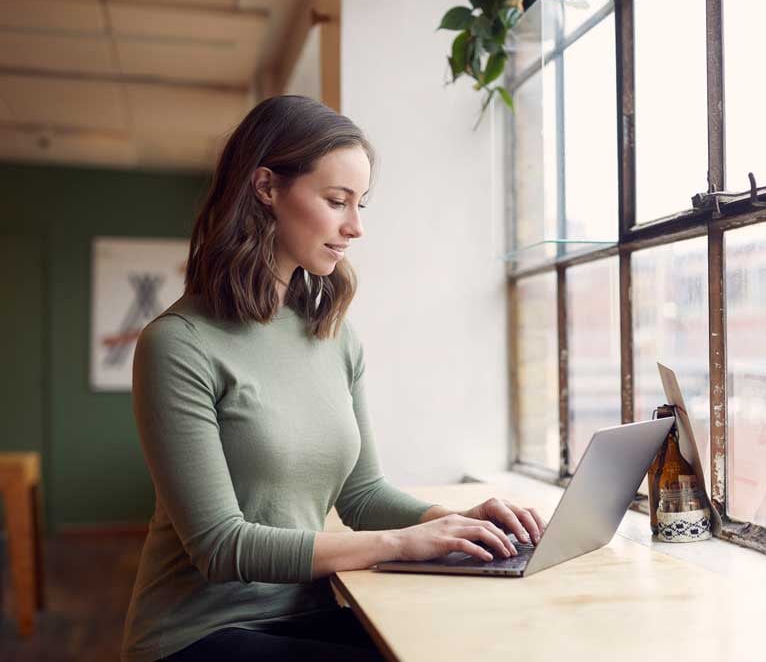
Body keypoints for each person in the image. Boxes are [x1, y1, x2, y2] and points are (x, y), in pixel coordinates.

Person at [121, 95, 546, 662]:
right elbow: (220, 547)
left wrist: (457, 523)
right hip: (201, 634)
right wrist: (401, 543)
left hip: (311, 612)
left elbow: (362, 495)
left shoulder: (334, 337)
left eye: (360, 204)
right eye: (336, 201)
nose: (355, 227)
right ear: (266, 188)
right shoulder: (177, 344)